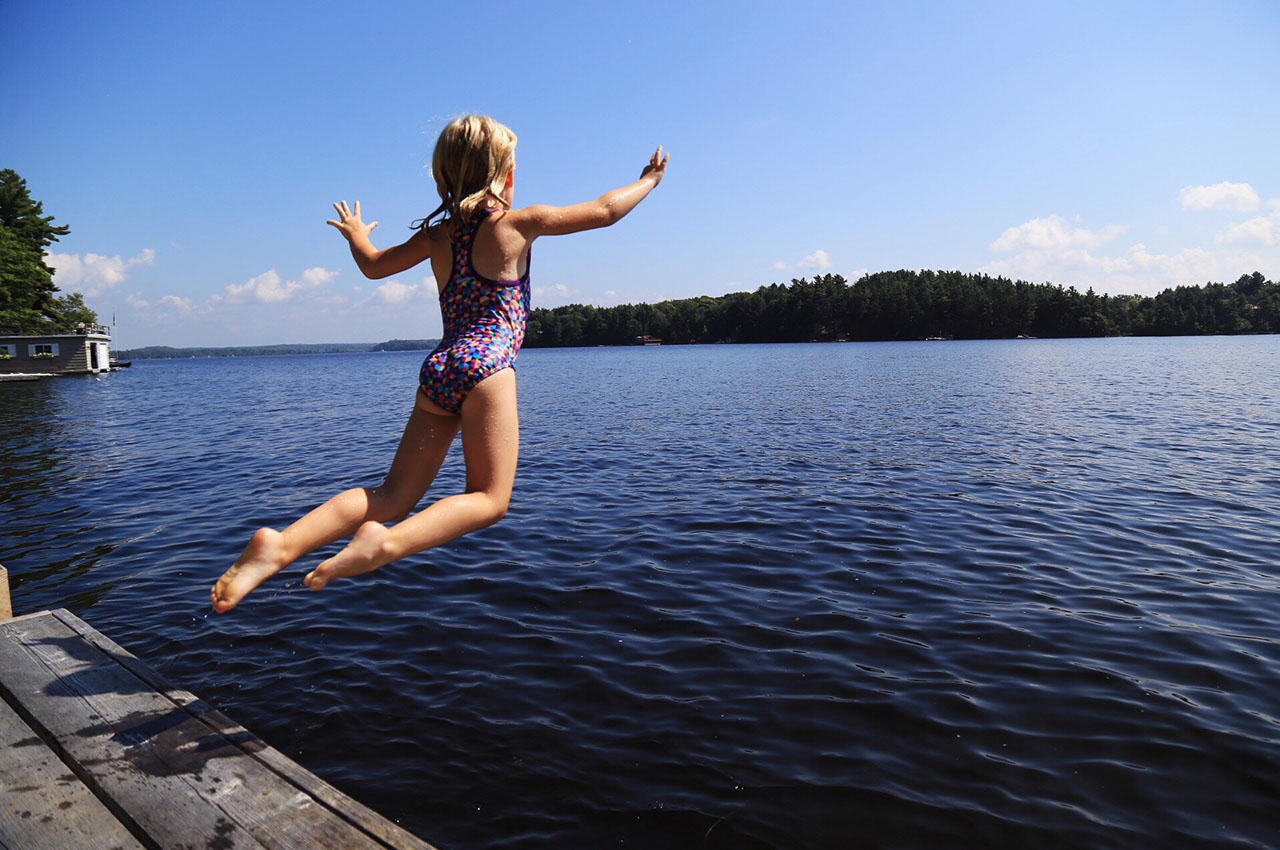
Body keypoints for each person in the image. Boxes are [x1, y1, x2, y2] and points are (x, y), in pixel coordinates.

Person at [211, 115, 667, 613]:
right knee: (489, 499)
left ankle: (280, 546)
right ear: (507, 175)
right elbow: (605, 210)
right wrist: (648, 181)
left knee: (390, 495)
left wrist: (356, 235)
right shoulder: (519, 223)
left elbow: (373, 265)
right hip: (487, 368)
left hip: (441, 370)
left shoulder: (437, 237)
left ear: (443, 177)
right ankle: (385, 545)